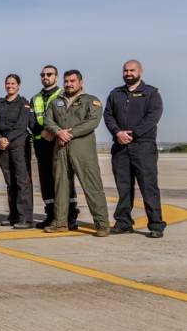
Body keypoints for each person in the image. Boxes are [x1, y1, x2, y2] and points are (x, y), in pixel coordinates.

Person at [43, 70, 110, 237]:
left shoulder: (91, 100)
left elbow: (92, 122)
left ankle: (102, 224)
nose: (68, 84)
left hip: (82, 149)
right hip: (60, 149)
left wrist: (70, 133)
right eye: (66, 81)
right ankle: (60, 222)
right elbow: (48, 120)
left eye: (72, 81)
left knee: (92, 185)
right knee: (61, 186)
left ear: (80, 82)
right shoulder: (56, 101)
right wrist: (58, 131)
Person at [104, 59, 165, 238]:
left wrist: (133, 134)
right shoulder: (116, 93)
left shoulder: (151, 93)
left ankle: (156, 224)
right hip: (120, 147)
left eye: (132, 70)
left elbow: (153, 115)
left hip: (143, 147)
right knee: (123, 187)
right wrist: (117, 133)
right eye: (125, 71)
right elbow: (108, 116)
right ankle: (123, 222)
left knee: (148, 186)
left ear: (140, 71)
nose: (128, 73)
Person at [31, 65, 79, 230]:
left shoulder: (63, 95)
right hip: (41, 143)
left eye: (49, 74)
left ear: (56, 77)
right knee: (46, 181)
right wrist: (42, 131)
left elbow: (67, 117)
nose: (46, 77)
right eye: (43, 74)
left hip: (58, 142)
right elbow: (31, 121)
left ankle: (70, 215)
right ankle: (51, 214)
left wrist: (53, 132)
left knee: (64, 179)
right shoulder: (35, 98)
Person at [0, 74, 34, 229]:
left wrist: (7, 139)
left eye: (13, 83)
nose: (10, 86)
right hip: (2, 146)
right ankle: (14, 215)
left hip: (18, 146)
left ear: (18, 85)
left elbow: (22, 125)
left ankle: (26, 218)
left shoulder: (23, 103)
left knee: (22, 181)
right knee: (10, 182)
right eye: (7, 83)